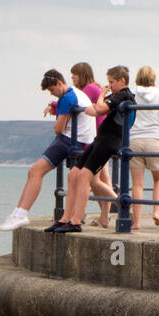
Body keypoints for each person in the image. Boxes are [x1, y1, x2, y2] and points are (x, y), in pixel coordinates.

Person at [0, 69, 96, 231]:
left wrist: (56, 116)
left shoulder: (67, 97)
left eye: (52, 90)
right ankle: (17, 213)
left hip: (71, 140)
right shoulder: (74, 93)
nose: (52, 94)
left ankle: (21, 215)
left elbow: (58, 128)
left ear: (59, 83)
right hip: (82, 140)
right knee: (37, 172)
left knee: (36, 171)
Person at [45, 66, 134, 232]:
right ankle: (65, 218)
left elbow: (98, 109)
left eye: (112, 82)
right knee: (74, 174)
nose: (109, 86)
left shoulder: (124, 95)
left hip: (109, 142)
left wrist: (100, 96)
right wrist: (93, 106)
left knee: (85, 175)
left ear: (122, 80)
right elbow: (93, 110)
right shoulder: (115, 96)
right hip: (100, 139)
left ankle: (76, 221)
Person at [129, 66, 159, 228]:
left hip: (134, 140)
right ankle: (156, 212)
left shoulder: (132, 94)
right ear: (153, 78)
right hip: (155, 140)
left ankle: (136, 222)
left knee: (137, 184)